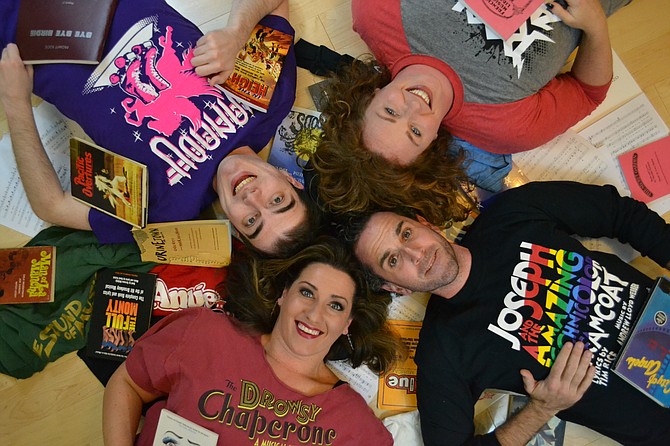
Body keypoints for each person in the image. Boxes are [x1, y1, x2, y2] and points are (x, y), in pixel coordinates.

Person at [343, 181, 670, 445]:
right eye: (393, 260)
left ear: (425, 223)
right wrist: (542, 409)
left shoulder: (512, 213)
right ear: (396, 288)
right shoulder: (442, 352)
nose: (417, 253)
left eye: (406, 233)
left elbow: (619, 213)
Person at [0, 0, 316, 256]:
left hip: (19, 29)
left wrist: (15, 103)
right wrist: (237, 32)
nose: (253, 197)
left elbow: (52, 206)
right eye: (277, 201)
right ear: (290, 179)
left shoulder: (166, 209)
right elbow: (276, 5)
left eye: (252, 222)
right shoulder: (269, 103)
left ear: (236, 229)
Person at [309, 0, 627, 222]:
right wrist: (596, 25)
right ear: (434, 143)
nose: (414, 108)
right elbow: (588, 92)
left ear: (370, 96)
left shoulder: (377, 13)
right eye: (415, 132)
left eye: (390, 111)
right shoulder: (506, 127)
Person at [102, 237, 402, 445]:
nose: (314, 314)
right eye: (307, 292)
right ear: (284, 296)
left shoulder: (353, 422)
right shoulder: (205, 334)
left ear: (347, 325)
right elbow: (128, 383)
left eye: (335, 306)